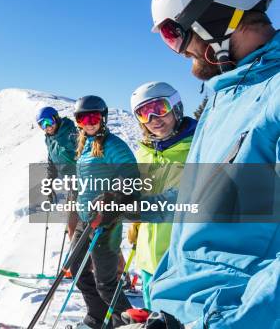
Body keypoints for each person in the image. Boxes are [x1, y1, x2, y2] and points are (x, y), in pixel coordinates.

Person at [121, 0, 279, 329]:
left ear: (216, 19)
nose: (177, 50)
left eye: (175, 33)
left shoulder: (273, 99)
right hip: (181, 311)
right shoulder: (225, 100)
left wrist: (224, 322)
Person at [126, 82, 196, 311]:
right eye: (144, 113)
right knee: (152, 315)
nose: (154, 118)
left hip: (181, 261)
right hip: (148, 260)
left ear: (176, 106)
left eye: (159, 107)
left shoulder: (197, 146)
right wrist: (136, 223)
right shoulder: (144, 152)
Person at [69, 95, 138, 329]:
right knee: (76, 268)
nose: (88, 122)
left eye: (94, 117)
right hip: (85, 219)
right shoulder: (85, 144)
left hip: (106, 223)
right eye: (82, 118)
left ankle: (127, 324)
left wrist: (110, 201)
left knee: (106, 284)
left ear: (103, 118)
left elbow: (131, 180)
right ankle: (98, 316)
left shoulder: (113, 145)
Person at [37, 106, 80, 271]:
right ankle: (82, 266)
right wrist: (49, 183)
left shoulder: (71, 134)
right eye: (42, 124)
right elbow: (51, 162)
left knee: (91, 229)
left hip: (86, 183)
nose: (47, 127)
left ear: (56, 118)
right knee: (72, 226)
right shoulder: (49, 138)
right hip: (72, 185)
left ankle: (119, 274)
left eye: (49, 121)